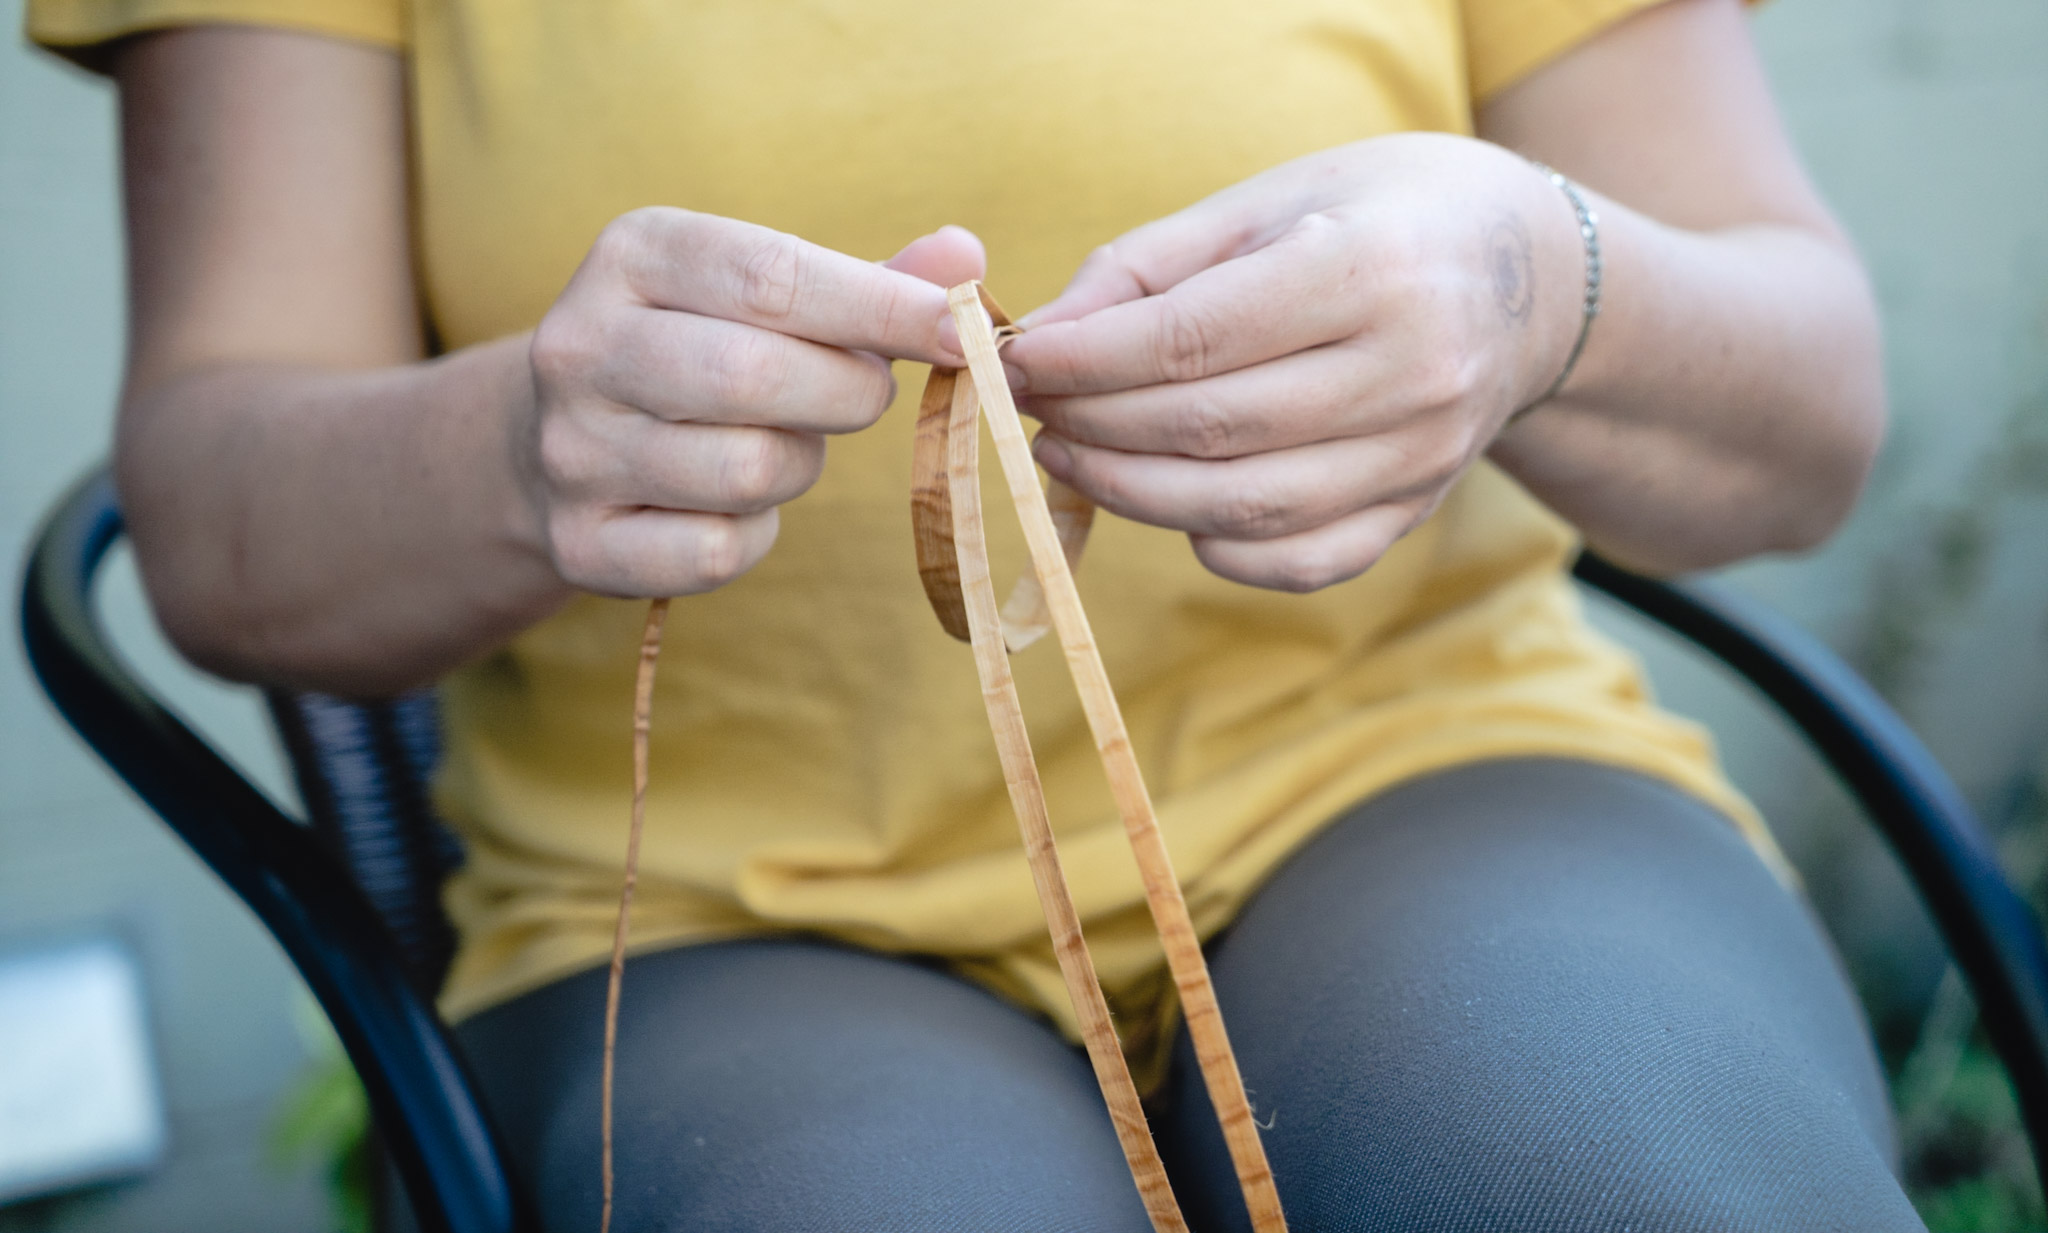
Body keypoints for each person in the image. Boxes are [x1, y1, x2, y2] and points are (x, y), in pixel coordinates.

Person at [30, 0, 1919, 1227]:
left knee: (1623, 1184)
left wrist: (1539, 282)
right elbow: (217, 531)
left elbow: (1807, 424)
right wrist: (517, 443)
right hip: (721, 921)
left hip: (1429, 776)